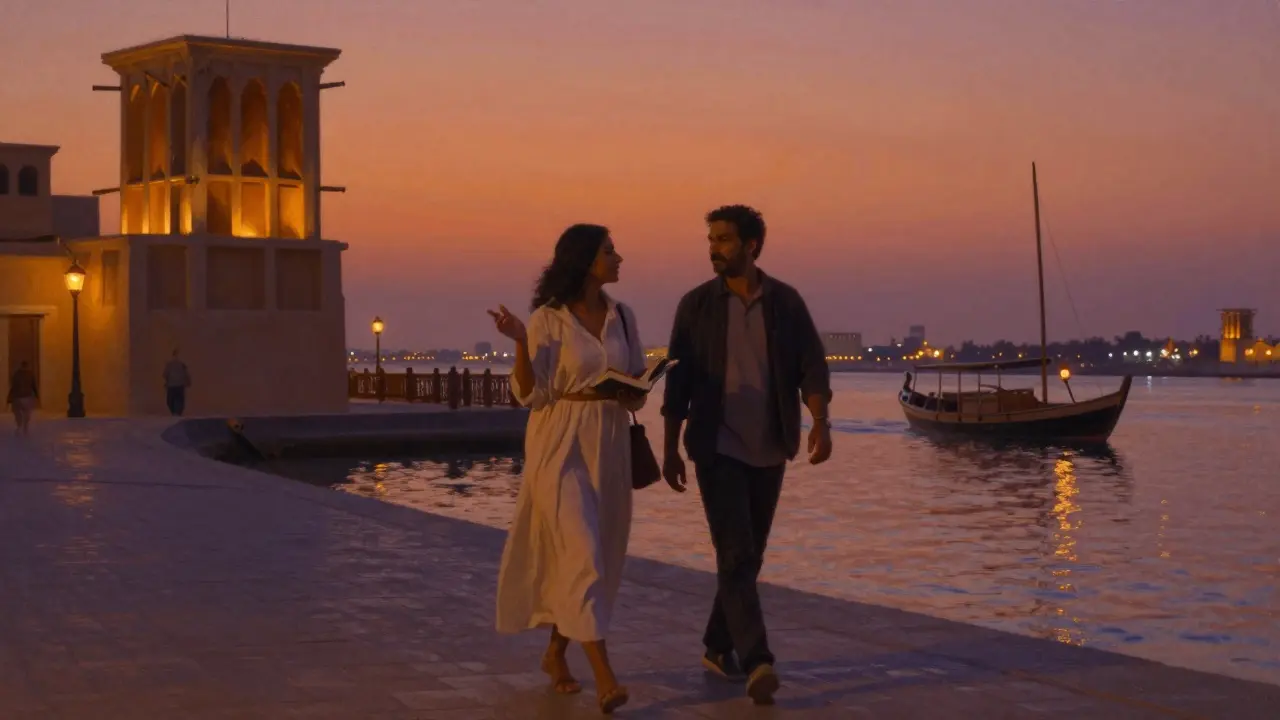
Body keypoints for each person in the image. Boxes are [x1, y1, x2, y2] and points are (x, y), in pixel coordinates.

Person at [661, 204, 833, 705]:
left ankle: (717, 645)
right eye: (710, 239)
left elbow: (812, 368)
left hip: (771, 444)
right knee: (735, 552)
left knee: (748, 556)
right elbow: (678, 383)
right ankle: (758, 660)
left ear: (751, 245)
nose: (714, 248)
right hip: (716, 445)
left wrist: (821, 422)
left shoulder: (785, 302)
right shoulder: (695, 306)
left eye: (724, 239)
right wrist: (670, 449)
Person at [488, 223, 646, 714]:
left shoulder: (623, 315)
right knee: (583, 554)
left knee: (595, 553)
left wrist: (634, 388)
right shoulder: (547, 319)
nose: (618, 258)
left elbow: (637, 377)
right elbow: (531, 394)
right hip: (559, 440)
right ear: (584, 260)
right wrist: (519, 342)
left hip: (611, 440)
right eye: (609, 251)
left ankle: (556, 652)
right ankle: (606, 678)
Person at [6, 361, 38, 436]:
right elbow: (34, 386)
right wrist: (37, 396)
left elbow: (13, 386)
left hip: (17, 397)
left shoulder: (16, 374)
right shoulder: (31, 374)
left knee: (17, 413)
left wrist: (9, 397)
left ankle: (19, 425)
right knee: (27, 412)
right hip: (28, 396)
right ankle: (25, 426)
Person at [163, 349, 191, 417]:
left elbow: (165, 374)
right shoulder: (182, 364)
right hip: (180, 385)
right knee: (180, 400)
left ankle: (174, 413)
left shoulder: (169, 364)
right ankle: (178, 413)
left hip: (171, 385)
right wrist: (188, 382)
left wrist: (167, 382)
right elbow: (186, 374)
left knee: (170, 401)